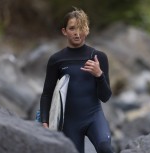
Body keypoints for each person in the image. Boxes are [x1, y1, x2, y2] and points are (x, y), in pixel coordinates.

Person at [40, 7, 113, 153]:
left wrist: (99, 75)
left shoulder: (98, 57)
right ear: (64, 31)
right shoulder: (57, 60)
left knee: (105, 148)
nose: (77, 33)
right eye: (72, 28)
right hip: (69, 122)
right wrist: (44, 120)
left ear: (87, 30)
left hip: (94, 116)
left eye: (80, 28)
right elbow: (47, 93)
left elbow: (105, 97)